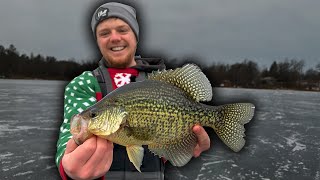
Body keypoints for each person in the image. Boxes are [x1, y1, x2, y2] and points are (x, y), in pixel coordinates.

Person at [55, 2, 211, 180]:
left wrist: (183, 144)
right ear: (97, 41)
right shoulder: (84, 84)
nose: (114, 38)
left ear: (136, 36)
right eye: (104, 33)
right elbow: (70, 132)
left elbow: (167, 149)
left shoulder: (160, 80)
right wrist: (68, 164)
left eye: (122, 30)